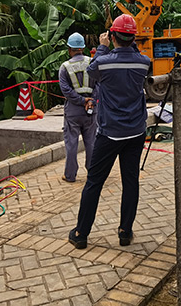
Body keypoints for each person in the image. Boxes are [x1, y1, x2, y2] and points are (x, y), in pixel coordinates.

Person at [69, 14, 150, 250]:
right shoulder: (143, 62)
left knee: (94, 182)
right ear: (133, 37)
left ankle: (81, 233)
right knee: (130, 181)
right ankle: (125, 231)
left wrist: (103, 48)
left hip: (109, 133)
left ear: (112, 35)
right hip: (135, 131)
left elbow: (91, 72)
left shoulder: (103, 62)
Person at [58, 32, 98, 183]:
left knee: (71, 144)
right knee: (91, 143)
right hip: (90, 110)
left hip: (73, 111)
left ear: (70, 49)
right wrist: (91, 101)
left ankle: (70, 175)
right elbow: (99, 84)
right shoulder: (92, 63)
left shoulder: (65, 67)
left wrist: (81, 100)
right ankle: (93, 172)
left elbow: (66, 90)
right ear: (82, 47)